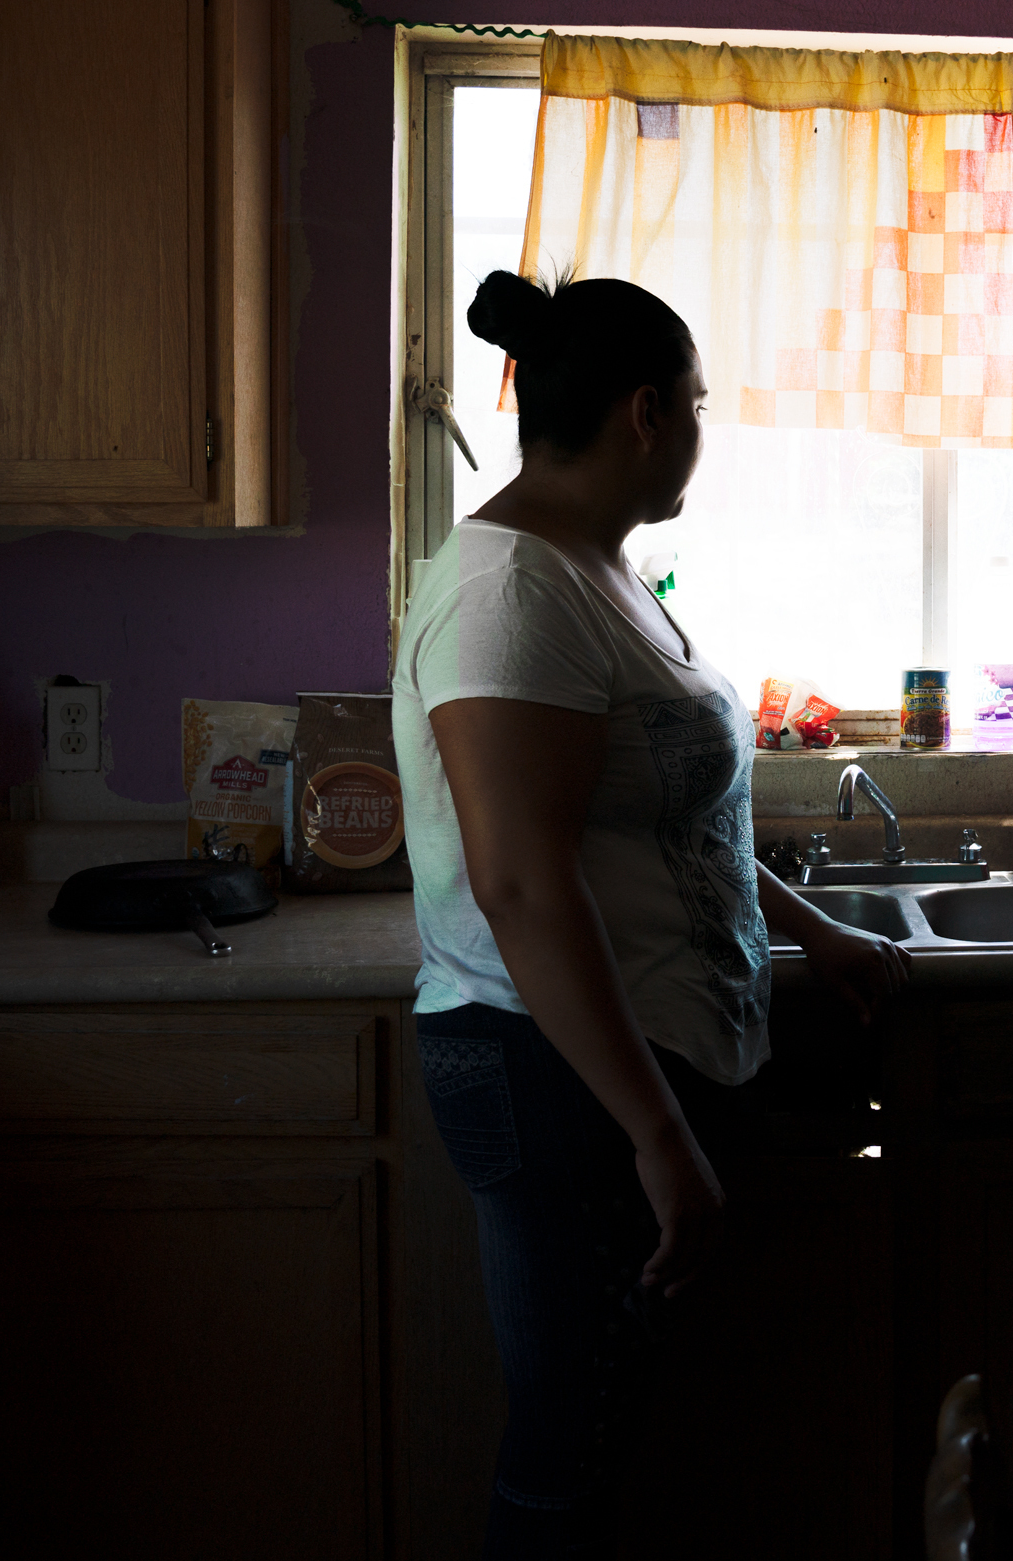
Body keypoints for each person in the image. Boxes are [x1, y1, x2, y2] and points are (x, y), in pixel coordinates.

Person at [393, 270, 910, 1558]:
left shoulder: (593, 572)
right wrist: (656, 1132)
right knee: (568, 1450)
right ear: (642, 414)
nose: (698, 429)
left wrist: (812, 928)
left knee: (618, 1436)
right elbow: (519, 880)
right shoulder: (508, 596)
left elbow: (664, 823)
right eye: (694, 404)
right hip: (555, 1076)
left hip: (613, 1070)